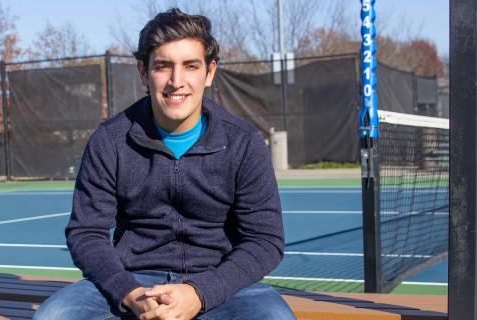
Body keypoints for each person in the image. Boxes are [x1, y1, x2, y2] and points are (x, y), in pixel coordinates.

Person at [34, 8, 294, 320]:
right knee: (54, 316)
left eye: (190, 66)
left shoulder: (243, 142)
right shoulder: (110, 140)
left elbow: (265, 240)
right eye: (163, 66)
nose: (176, 81)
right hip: (134, 282)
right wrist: (130, 294)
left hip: (222, 283)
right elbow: (86, 233)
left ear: (210, 72)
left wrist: (199, 293)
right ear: (143, 72)